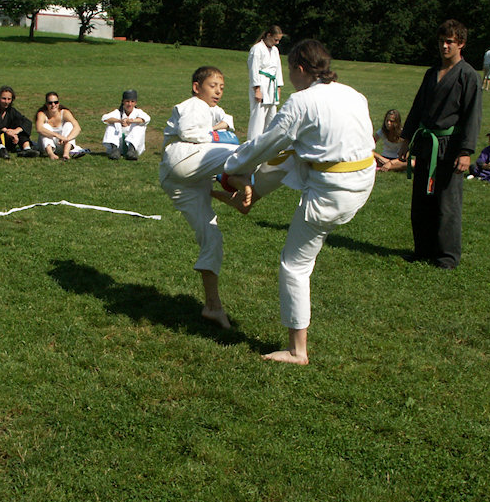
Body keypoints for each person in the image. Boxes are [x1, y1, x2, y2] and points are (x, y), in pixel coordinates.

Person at [220, 39, 376, 365]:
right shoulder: (353, 94)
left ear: (300, 69)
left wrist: (230, 167)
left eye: (290, 70)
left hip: (334, 192)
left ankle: (296, 350)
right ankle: (250, 197)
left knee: (295, 264)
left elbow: (266, 142)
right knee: (291, 155)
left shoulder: (302, 102)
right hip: (362, 180)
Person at [159, 66, 252, 330]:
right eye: (213, 86)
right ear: (196, 87)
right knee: (243, 150)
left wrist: (221, 127)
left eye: (221, 87)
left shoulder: (211, 108)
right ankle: (236, 183)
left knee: (212, 238)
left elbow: (227, 119)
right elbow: (189, 132)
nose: (218, 91)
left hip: (185, 181)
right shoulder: (193, 105)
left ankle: (213, 306)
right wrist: (216, 133)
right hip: (181, 159)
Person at [398, 19, 482, 269]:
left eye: (450, 42)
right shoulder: (431, 73)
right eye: (441, 41)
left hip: (449, 146)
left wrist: (465, 151)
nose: (444, 46)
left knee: (447, 204)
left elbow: (472, 116)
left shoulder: (468, 75)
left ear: (461, 44)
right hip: (426, 143)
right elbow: (417, 107)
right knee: (422, 201)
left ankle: (447, 256)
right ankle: (422, 250)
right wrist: (406, 140)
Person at [247, 25, 284, 140]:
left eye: (279, 40)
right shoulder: (257, 49)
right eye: (275, 40)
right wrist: (257, 89)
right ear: (268, 35)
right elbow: (253, 70)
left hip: (272, 86)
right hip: (261, 84)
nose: (277, 43)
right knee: (258, 117)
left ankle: (267, 143)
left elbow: (278, 69)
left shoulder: (275, 50)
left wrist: (278, 87)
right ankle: (253, 143)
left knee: (272, 117)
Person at [0, 86, 38, 159]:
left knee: (20, 125)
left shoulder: (12, 111)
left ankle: (26, 148)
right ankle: (1, 150)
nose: (6, 102)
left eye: (9, 99)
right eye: (4, 98)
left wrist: (15, 131)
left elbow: (26, 122)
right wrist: (6, 130)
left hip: (9, 140)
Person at [35, 92, 86, 161]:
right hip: (46, 146)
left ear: (58, 103)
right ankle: (51, 154)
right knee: (45, 126)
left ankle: (66, 153)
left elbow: (77, 128)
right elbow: (39, 129)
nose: (53, 105)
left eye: (55, 102)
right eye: (50, 103)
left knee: (69, 124)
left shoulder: (64, 112)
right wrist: (57, 135)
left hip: (62, 143)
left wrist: (67, 139)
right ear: (46, 104)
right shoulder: (42, 114)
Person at [101, 89, 151, 160]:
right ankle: (114, 150)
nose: (129, 104)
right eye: (127, 101)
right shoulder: (118, 112)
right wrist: (119, 121)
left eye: (132, 102)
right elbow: (104, 119)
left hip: (135, 145)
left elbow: (147, 119)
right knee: (111, 126)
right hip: (119, 144)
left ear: (135, 103)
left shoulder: (138, 112)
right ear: (123, 102)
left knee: (139, 127)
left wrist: (131, 121)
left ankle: (131, 151)